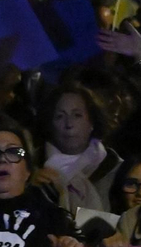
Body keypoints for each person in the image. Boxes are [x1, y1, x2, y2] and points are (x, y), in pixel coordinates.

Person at [36, 84, 121, 213]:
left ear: (92, 121)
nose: (69, 124)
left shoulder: (115, 169)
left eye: (77, 115)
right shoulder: (32, 165)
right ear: (50, 124)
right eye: (60, 116)